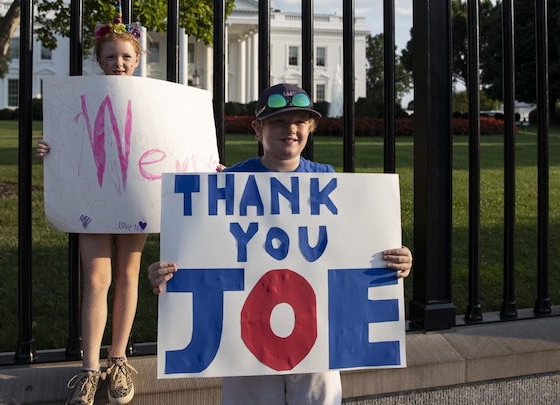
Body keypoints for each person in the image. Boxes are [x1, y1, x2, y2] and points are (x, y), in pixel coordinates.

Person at [148, 83, 413, 404]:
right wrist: (167, 272)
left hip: (316, 336)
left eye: (300, 122)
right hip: (245, 338)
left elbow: (352, 248)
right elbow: (199, 250)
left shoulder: (328, 181)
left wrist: (395, 260)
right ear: (258, 128)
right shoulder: (228, 183)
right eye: (278, 122)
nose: (290, 130)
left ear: (311, 128)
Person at [36, 7, 144, 405]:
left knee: (129, 275)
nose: (119, 63)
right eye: (111, 57)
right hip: (92, 195)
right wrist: (50, 150)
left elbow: (166, 144)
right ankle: (89, 368)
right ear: (99, 61)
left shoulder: (154, 100)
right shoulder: (78, 97)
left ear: (137, 60)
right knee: (98, 279)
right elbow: (69, 139)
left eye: (126, 57)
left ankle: (118, 361)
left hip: (135, 196)